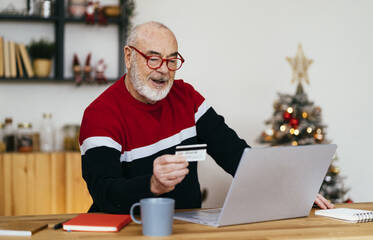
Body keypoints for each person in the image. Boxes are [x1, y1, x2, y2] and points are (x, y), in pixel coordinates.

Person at [79, 21, 334, 214]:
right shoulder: (100, 114)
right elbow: (104, 192)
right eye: (153, 59)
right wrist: (152, 185)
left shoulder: (187, 98)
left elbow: (235, 154)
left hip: (186, 228)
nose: (163, 71)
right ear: (129, 56)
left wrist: (293, 189)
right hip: (128, 231)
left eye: (171, 61)